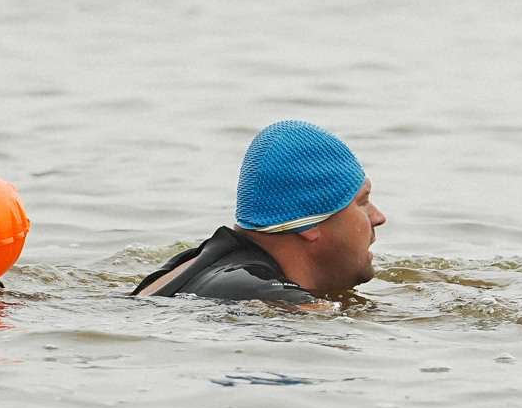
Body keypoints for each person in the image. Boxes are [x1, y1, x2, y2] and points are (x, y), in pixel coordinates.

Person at [132, 120, 386, 306]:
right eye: (362, 202)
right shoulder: (273, 299)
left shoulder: (190, 266)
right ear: (310, 223)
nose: (378, 217)